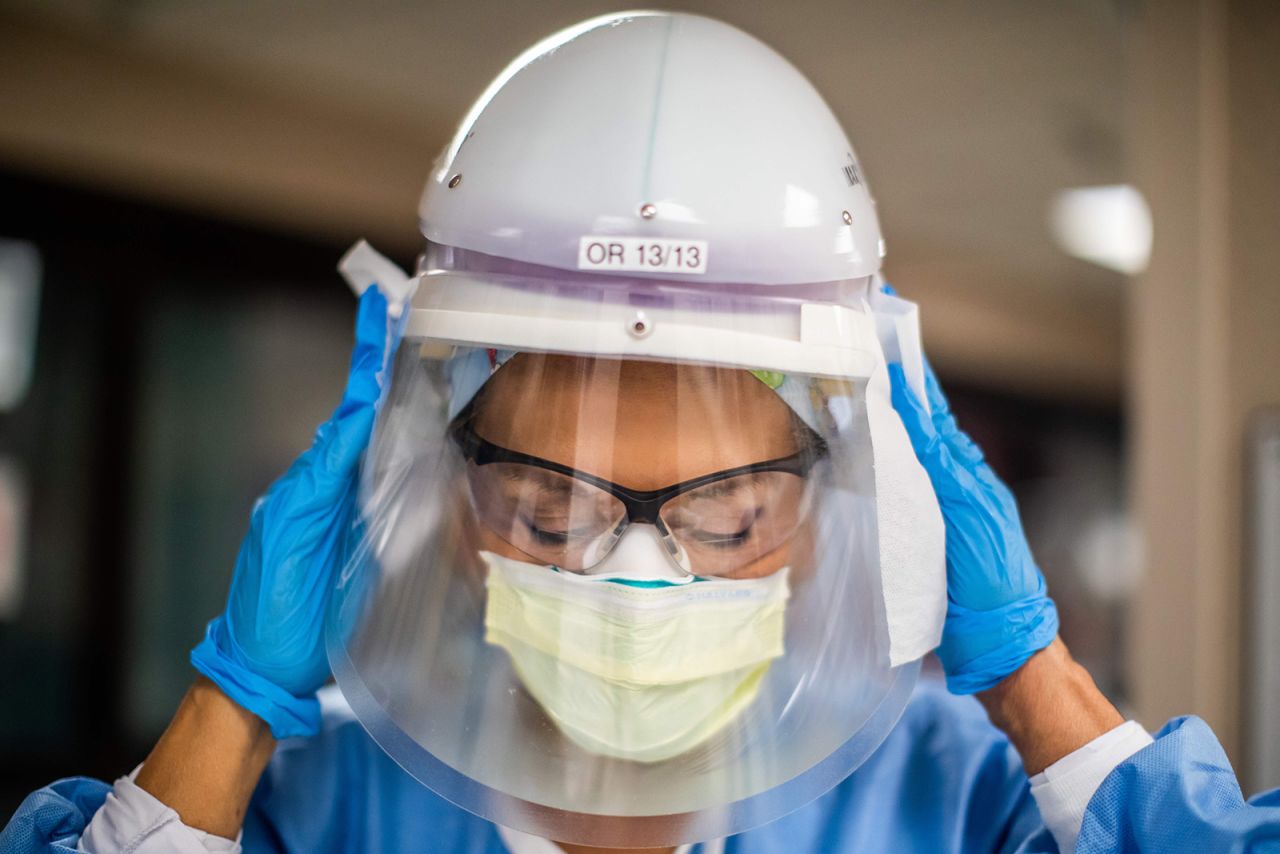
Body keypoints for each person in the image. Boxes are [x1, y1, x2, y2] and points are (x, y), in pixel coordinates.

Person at [5, 11, 1280, 854]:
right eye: (550, 514)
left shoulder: (952, 800)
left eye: (723, 520)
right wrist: (234, 705)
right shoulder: (320, 805)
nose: (632, 580)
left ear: (826, 521)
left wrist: (1034, 680)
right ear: (449, 508)